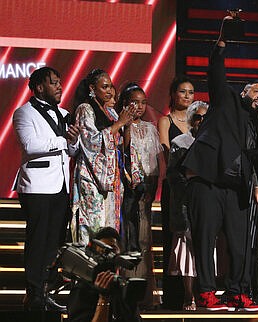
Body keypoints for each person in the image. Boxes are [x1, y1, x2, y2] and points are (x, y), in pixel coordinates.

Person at [181, 14, 258, 311]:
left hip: (237, 188)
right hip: (208, 180)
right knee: (205, 239)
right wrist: (221, 41)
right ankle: (207, 293)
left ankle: (238, 292)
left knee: (239, 244)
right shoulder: (227, 99)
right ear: (244, 92)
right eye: (255, 90)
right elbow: (216, 70)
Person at [12, 66, 80, 312]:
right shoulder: (23, 114)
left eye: (60, 81)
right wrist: (63, 140)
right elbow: (31, 145)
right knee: (38, 240)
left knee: (55, 242)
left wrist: (73, 142)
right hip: (37, 186)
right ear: (39, 87)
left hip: (60, 185)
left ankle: (47, 290)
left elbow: (70, 151)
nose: (60, 86)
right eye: (53, 82)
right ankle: (33, 292)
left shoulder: (64, 113)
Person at [71, 69, 137, 244]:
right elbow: (92, 142)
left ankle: (107, 268)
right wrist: (120, 123)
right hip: (92, 178)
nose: (110, 91)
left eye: (111, 87)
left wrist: (127, 125)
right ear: (92, 88)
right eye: (105, 87)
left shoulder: (111, 112)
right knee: (93, 226)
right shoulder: (85, 109)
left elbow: (122, 144)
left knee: (109, 230)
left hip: (112, 179)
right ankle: (88, 268)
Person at [116, 82, 163, 309]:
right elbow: (123, 154)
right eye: (135, 102)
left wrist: (151, 189)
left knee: (144, 241)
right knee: (128, 239)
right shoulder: (119, 125)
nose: (140, 107)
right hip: (125, 192)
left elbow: (154, 163)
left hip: (144, 192)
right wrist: (124, 125)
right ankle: (124, 293)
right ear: (125, 103)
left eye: (144, 102)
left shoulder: (150, 128)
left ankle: (142, 293)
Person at [157, 75, 194, 309]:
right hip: (174, 186)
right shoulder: (165, 121)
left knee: (195, 239)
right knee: (173, 238)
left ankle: (195, 292)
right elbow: (166, 151)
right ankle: (172, 296)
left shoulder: (201, 120)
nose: (187, 96)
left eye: (191, 92)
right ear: (173, 94)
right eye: (182, 91)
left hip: (197, 187)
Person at [167, 100, 209, 311]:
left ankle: (207, 295)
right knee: (187, 251)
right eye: (197, 117)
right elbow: (173, 174)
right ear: (192, 120)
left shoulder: (215, 142)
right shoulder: (180, 141)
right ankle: (188, 296)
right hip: (185, 204)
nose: (201, 121)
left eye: (204, 117)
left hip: (209, 205)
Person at [67, 227, 142, 322]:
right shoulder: (82, 290)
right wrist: (103, 299)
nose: (109, 257)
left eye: (113, 251)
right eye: (104, 252)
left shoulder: (123, 290)